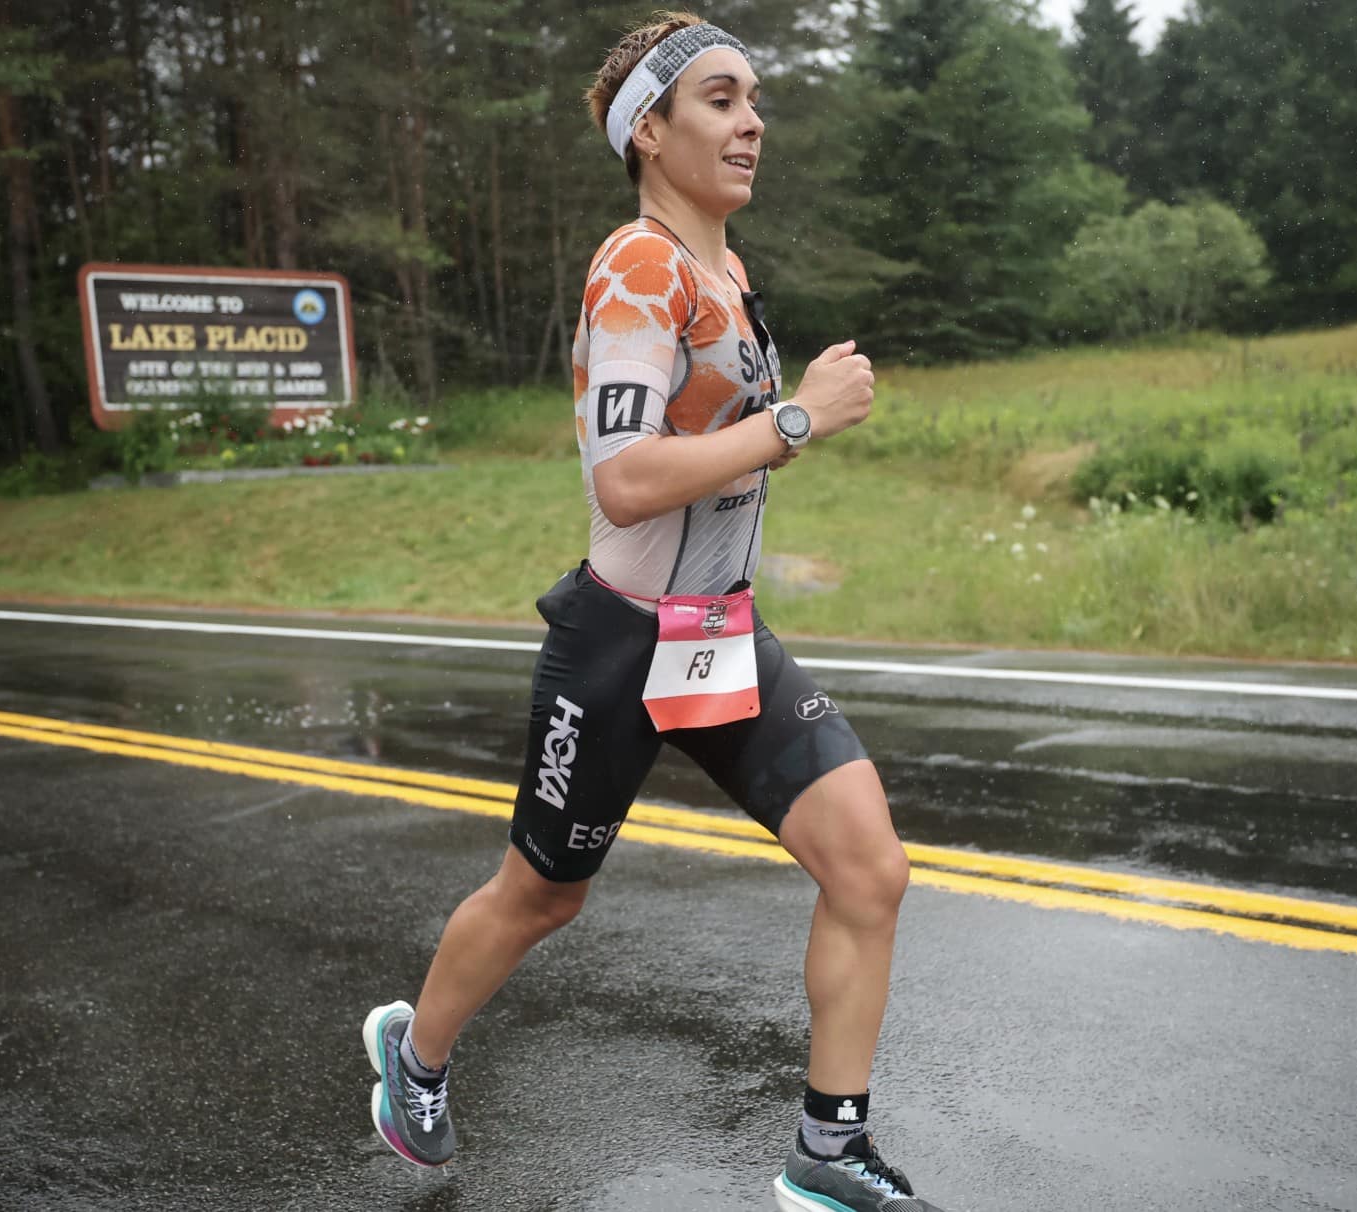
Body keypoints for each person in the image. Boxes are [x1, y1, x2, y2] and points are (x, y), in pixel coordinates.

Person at [362, 12, 952, 1211]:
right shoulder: (635, 266)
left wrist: (771, 441)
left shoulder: (724, 271)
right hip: (621, 643)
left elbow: (704, 453)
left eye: (754, 100)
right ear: (652, 132)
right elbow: (624, 477)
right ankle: (411, 1059)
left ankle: (826, 1158)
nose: (752, 123)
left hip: (717, 631)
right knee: (545, 893)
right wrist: (799, 421)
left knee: (867, 868)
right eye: (722, 100)